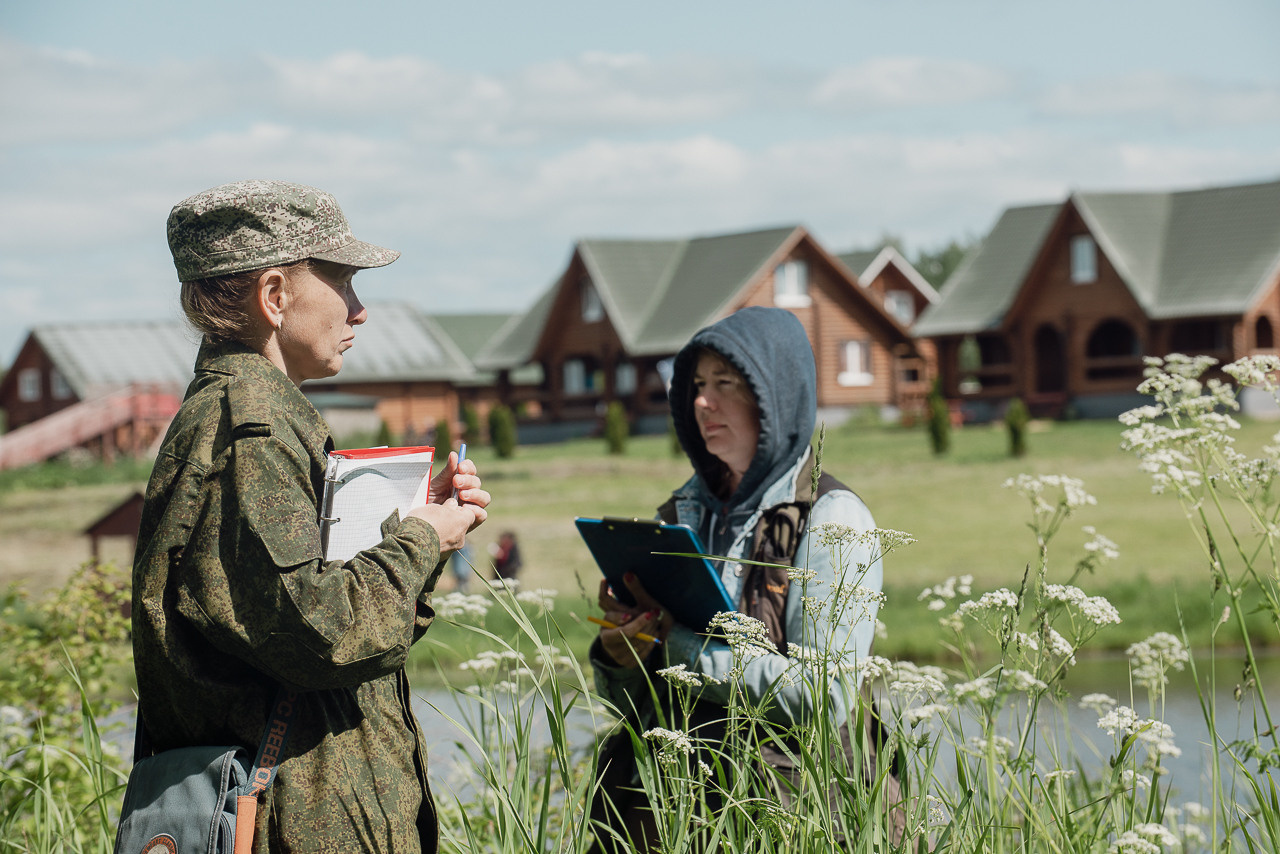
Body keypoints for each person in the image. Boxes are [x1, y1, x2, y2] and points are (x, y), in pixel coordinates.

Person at [131, 180, 489, 853]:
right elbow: (327, 634)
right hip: (293, 822)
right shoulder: (252, 434)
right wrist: (418, 540)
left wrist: (424, 530)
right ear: (274, 297)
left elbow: (322, 618)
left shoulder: (256, 419)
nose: (359, 311)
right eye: (344, 283)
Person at [587, 307, 898, 851]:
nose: (703, 401)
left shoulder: (831, 519)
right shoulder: (680, 515)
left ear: (774, 397)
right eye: (698, 385)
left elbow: (824, 699)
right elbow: (632, 704)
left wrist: (677, 646)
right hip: (675, 814)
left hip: (795, 816)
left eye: (726, 384)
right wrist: (623, 650)